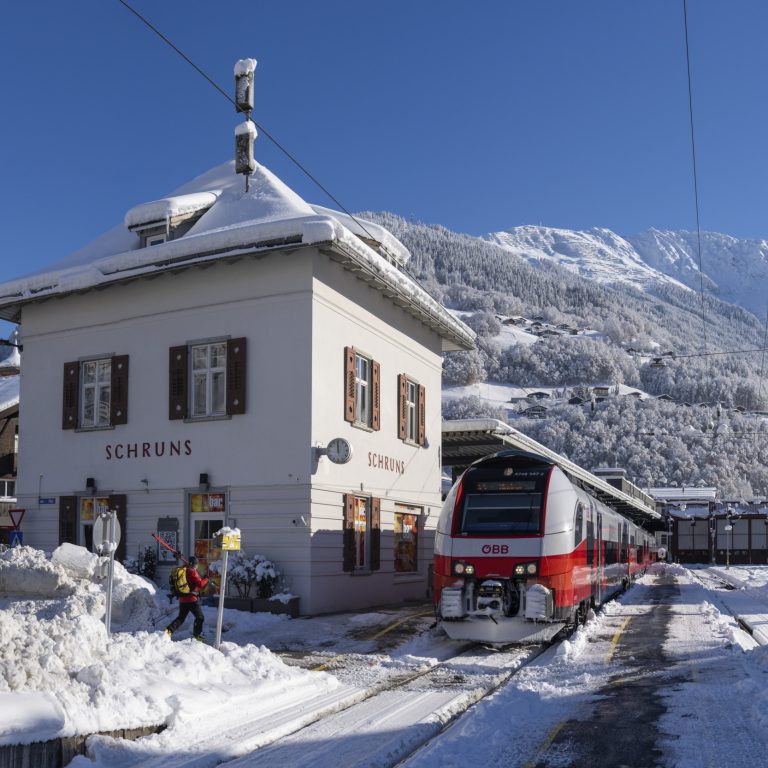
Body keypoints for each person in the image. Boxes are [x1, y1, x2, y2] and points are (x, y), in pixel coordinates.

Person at [165, 556, 209, 641]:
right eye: (197, 564)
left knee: (181, 618)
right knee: (200, 617)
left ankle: (168, 631)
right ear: (195, 564)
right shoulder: (192, 572)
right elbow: (201, 584)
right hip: (191, 599)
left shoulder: (184, 569)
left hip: (183, 598)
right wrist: (206, 579)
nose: (197, 566)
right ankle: (197, 636)